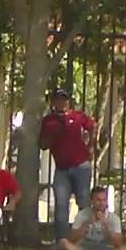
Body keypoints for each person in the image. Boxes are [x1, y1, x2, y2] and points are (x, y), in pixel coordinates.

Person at [39, 89, 96, 240]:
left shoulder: (77, 116)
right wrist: (53, 135)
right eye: (58, 99)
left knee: (83, 202)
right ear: (53, 102)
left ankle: (87, 238)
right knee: (61, 206)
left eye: (64, 99)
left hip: (81, 166)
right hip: (62, 169)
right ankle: (62, 241)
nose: (61, 103)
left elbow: (92, 126)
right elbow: (43, 144)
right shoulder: (49, 121)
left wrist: (91, 146)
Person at [58, 186, 126, 250]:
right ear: (92, 201)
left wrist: (106, 224)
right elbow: (72, 239)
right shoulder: (82, 215)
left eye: (104, 200)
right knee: (63, 243)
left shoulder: (113, 218)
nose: (102, 203)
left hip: (104, 249)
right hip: (84, 249)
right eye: (98, 200)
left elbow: (118, 243)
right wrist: (87, 223)